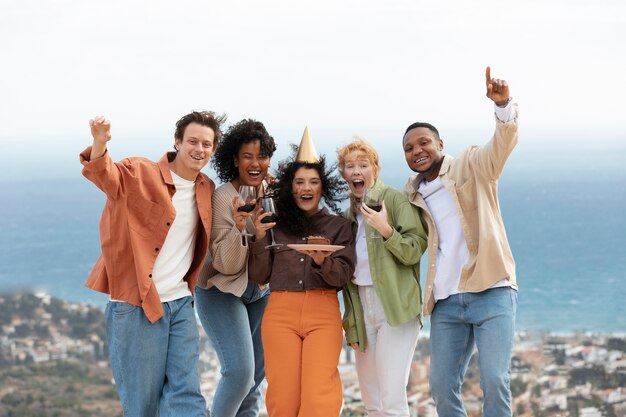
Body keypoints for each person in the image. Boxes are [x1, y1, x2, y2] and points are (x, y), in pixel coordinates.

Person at [80, 111, 225, 417]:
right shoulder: (139, 172)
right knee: (142, 405)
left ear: (214, 149)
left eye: (207, 144)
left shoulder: (206, 188)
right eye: (193, 141)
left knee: (187, 395)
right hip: (136, 305)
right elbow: (104, 175)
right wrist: (98, 142)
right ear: (177, 141)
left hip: (181, 304)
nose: (199, 149)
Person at [402, 66, 519, 417]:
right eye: (409, 148)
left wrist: (503, 108)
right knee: (440, 386)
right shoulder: (412, 194)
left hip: (492, 288)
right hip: (447, 301)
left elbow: (501, 146)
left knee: (495, 380)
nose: (417, 150)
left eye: (424, 142)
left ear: (440, 144)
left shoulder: (471, 164)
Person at [247, 128, 356, 417]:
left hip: (323, 312)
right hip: (280, 311)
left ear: (324, 187)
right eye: (299, 182)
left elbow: (342, 277)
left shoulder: (339, 227)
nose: (306, 188)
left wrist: (322, 261)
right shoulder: (275, 225)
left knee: (319, 398)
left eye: (313, 182)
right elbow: (260, 276)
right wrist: (258, 238)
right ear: (290, 187)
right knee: (282, 399)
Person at [337, 137, 427, 416]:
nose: (356, 171)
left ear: (375, 169)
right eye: (349, 166)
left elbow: (415, 250)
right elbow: (348, 280)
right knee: (371, 401)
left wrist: (385, 229)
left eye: (363, 164)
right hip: (362, 310)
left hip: (395, 308)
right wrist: (351, 323)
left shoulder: (394, 200)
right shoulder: (347, 217)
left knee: (391, 399)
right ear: (344, 174)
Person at [195, 119, 277, 417]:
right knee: (240, 373)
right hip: (220, 290)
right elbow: (226, 266)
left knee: (254, 380)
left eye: (262, 156)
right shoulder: (222, 198)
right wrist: (240, 228)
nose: (256, 164)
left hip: (260, 291)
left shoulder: (271, 192)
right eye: (248, 156)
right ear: (234, 159)